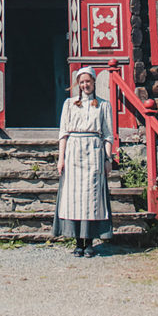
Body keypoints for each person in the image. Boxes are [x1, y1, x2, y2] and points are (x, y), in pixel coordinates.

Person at [52, 66, 114, 257]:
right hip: (73, 152)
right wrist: (61, 158)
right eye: (82, 82)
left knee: (91, 197)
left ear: (94, 82)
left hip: (94, 152)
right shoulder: (69, 104)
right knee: (74, 197)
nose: (85, 85)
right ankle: (78, 242)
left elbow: (108, 135)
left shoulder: (103, 105)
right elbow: (63, 133)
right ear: (77, 84)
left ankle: (90, 243)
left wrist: (108, 158)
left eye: (88, 81)